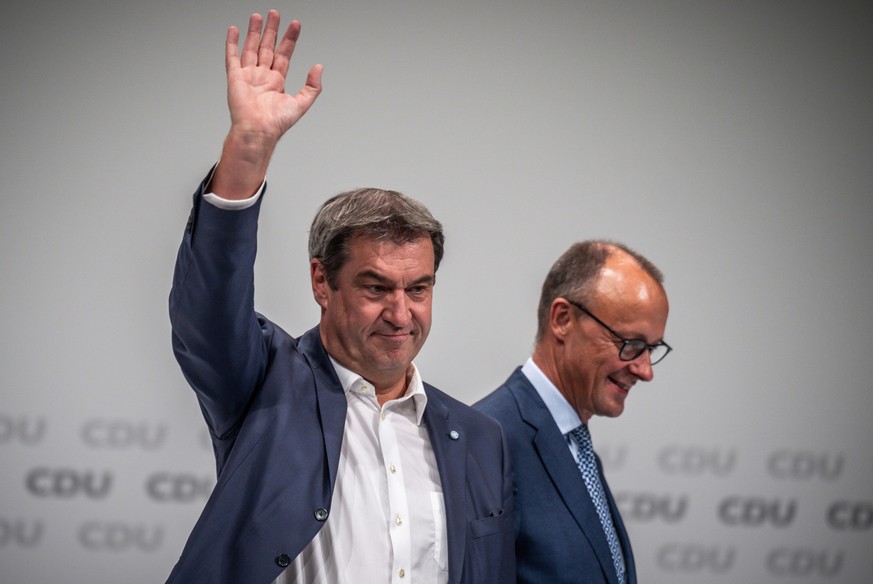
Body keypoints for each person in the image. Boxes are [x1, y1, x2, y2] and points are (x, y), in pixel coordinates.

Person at [168, 11, 513, 584]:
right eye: (376, 287)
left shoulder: (480, 439)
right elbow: (207, 313)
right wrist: (248, 150)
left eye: (418, 289)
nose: (401, 313)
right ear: (321, 283)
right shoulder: (266, 384)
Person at [475, 240, 671, 584]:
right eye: (632, 344)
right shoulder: (490, 441)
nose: (645, 370)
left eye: (651, 349)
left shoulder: (577, 446)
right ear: (563, 319)